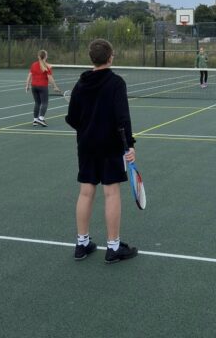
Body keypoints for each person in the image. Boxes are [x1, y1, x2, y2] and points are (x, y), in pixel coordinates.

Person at [65, 39, 138, 264]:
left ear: (91, 58)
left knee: (86, 192)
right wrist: (130, 145)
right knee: (111, 193)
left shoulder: (80, 84)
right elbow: (122, 118)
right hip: (110, 146)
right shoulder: (116, 83)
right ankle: (113, 247)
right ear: (110, 57)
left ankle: (82, 243)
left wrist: (88, 130)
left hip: (86, 146)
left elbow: (72, 118)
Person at [25, 50, 60, 127]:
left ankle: (35, 120)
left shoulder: (34, 64)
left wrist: (27, 85)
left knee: (37, 103)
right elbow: (50, 78)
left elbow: (29, 75)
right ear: (46, 56)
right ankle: (41, 118)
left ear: (39, 56)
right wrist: (55, 86)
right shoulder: (47, 67)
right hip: (42, 87)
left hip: (34, 86)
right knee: (44, 103)